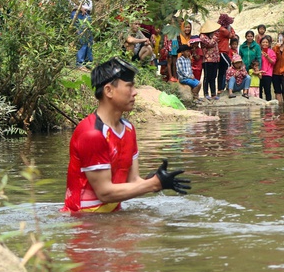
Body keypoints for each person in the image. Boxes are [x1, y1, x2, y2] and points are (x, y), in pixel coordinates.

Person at [62, 57, 191, 213]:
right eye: (129, 86)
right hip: (83, 221)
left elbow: (133, 181)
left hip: (112, 217)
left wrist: (157, 180)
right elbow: (104, 192)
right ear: (108, 90)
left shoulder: (129, 130)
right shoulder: (91, 133)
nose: (135, 92)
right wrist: (153, 184)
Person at [199, 19, 221, 100]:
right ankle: (206, 93)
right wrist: (215, 37)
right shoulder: (203, 36)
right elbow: (210, 44)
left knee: (213, 76)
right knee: (207, 77)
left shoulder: (212, 35)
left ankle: (213, 93)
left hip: (215, 59)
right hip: (207, 59)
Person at [216, 14, 236, 97]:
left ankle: (220, 88)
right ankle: (227, 85)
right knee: (229, 66)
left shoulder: (220, 28)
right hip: (222, 51)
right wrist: (231, 29)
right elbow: (232, 36)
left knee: (221, 70)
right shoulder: (223, 30)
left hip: (222, 51)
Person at [260, 36, 276, 101]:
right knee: (259, 91)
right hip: (259, 74)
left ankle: (268, 108)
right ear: (260, 43)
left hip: (267, 74)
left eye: (266, 42)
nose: (265, 44)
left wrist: (267, 57)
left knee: (267, 91)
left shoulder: (271, 51)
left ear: (269, 44)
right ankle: (260, 107)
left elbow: (273, 62)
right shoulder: (259, 51)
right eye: (263, 42)